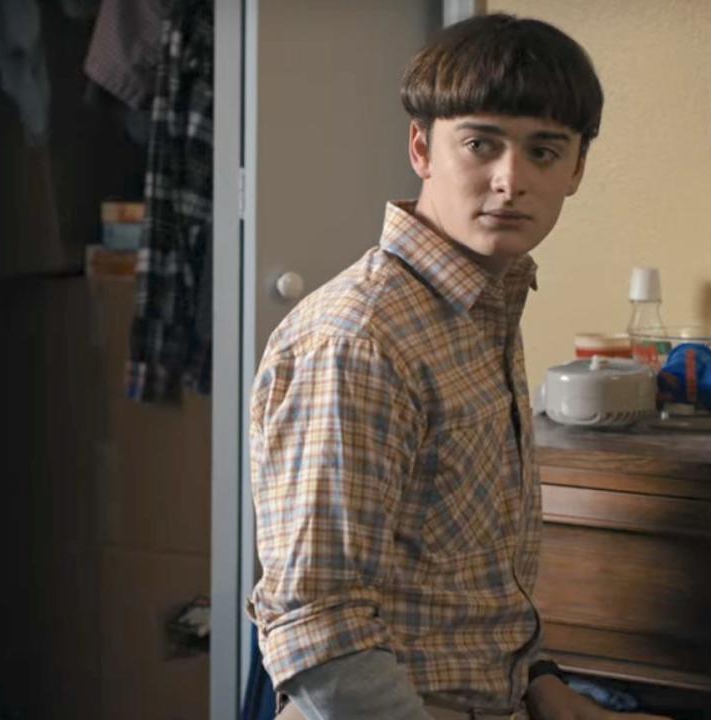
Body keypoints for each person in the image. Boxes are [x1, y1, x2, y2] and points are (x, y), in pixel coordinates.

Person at [247, 12, 671, 720]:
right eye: (481, 144)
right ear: (421, 147)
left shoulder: (484, 306)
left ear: (577, 169)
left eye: (544, 151)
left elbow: (470, 575)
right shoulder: (361, 337)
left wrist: (542, 682)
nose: (511, 181)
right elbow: (319, 632)